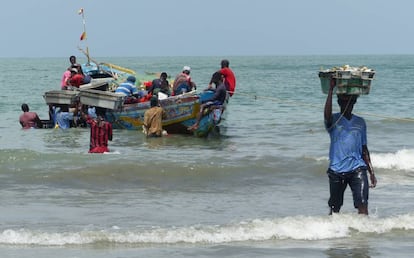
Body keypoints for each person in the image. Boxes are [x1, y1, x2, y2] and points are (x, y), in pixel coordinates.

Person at [324, 79, 377, 215]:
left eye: (351, 102)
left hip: (357, 168)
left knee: (363, 205)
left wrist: (371, 172)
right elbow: (327, 114)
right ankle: (332, 232)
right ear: (339, 103)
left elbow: (364, 149)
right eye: (344, 102)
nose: (347, 105)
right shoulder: (333, 120)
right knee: (335, 209)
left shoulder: (360, 122)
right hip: (336, 170)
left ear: (354, 103)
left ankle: (363, 234)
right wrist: (330, 89)